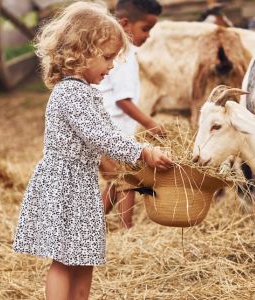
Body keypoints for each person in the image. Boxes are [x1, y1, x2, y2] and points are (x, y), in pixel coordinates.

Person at [11, 2, 173, 299]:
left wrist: (138, 150)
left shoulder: (86, 91)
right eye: (108, 57)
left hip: (82, 183)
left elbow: (108, 133)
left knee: (85, 257)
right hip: (64, 184)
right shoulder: (70, 92)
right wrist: (142, 152)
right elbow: (101, 137)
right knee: (63, 259)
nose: (112, 66)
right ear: (81, 52)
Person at [94, 0, 163, 229]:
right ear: (125, 24)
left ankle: (93, 223)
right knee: (128, 180)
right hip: (111, 129)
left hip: (108, 128)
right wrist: (150, 123)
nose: (149, 36)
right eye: (145, 28)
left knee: (118, 181)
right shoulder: (122, 55)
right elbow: (122, 100)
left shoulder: (120, 52)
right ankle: (127, 231)